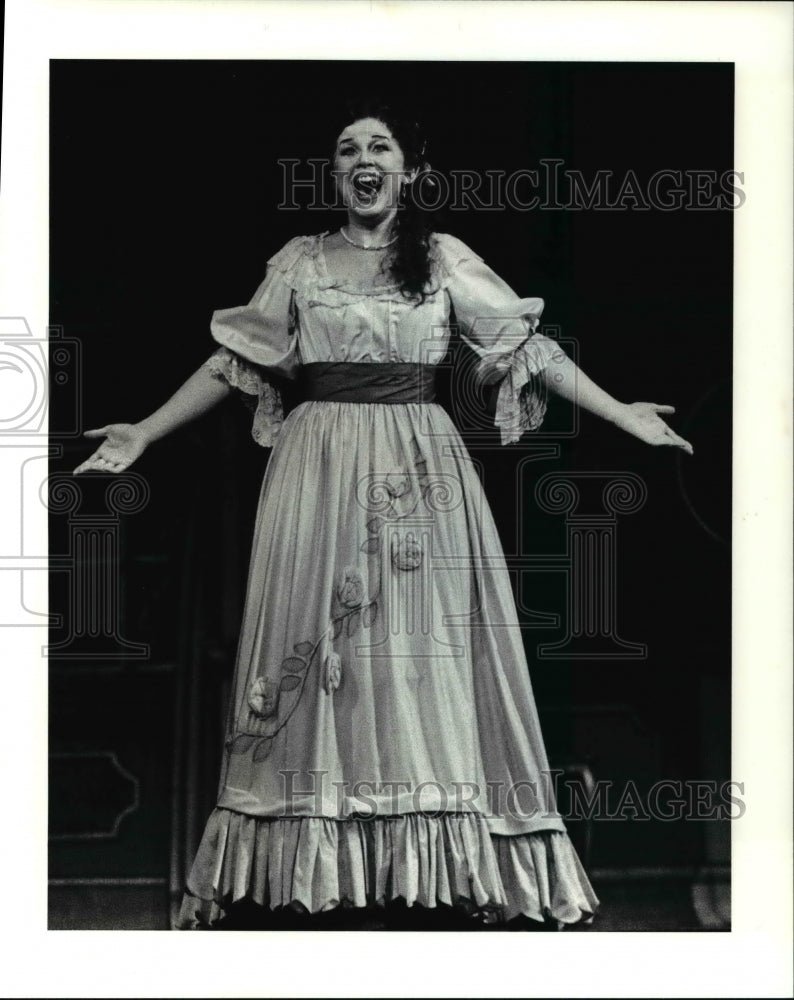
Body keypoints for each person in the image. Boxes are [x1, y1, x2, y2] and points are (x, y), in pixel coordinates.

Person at [74, 99, 692, 931]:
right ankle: (323, 870)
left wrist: (622, 412)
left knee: (412, 656)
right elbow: (235, 360)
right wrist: (145, 430)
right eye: (346, 149)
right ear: (334, 172)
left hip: (417, 468)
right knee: (319, 655)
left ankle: (426, 872)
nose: (362, 159)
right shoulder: (301, 261)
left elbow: (527, 347)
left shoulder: (440, 259)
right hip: (318, 468)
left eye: (379, 146)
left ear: (409, 169)